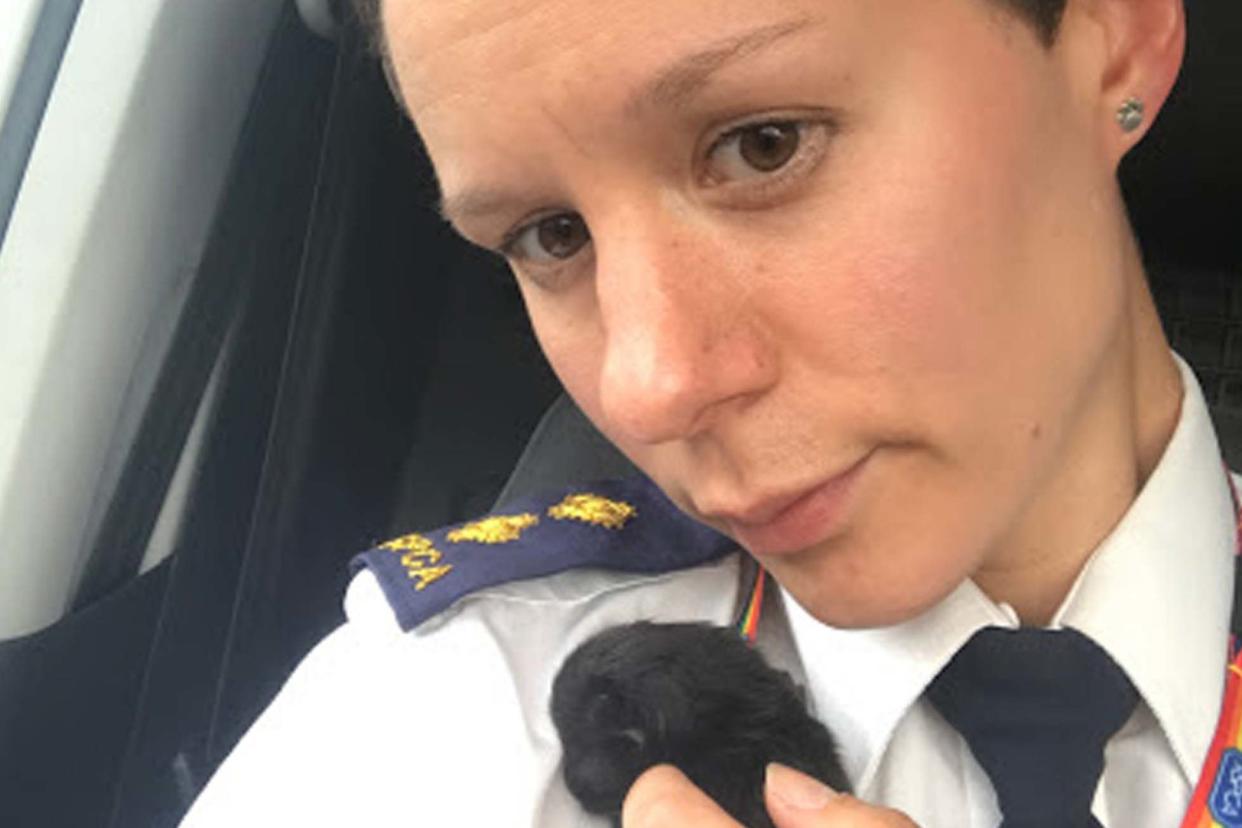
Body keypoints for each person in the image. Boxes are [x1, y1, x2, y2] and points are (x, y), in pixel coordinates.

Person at [179, 0, 1234, 825]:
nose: (649, 385)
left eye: (763, 145)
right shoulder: (426, 729)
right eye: (550, 236)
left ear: (1116, 44)